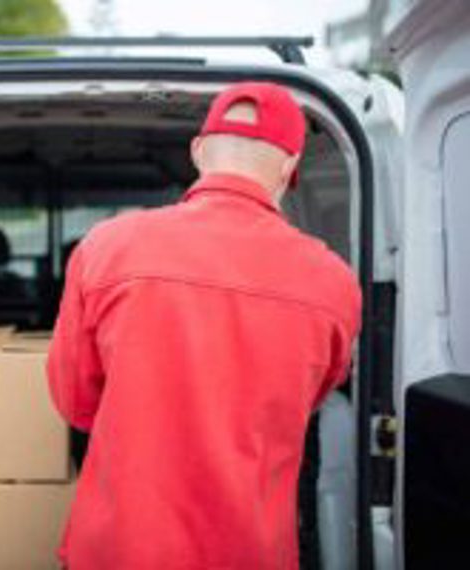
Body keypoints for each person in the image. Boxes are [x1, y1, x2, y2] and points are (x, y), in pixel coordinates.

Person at [47, 82, 362, 570]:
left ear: (197, 151)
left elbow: (75, 402)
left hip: (120, 549)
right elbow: (311, 399)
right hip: (248, 552)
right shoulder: (334, 282)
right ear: (290, 167)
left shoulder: (107, 248)